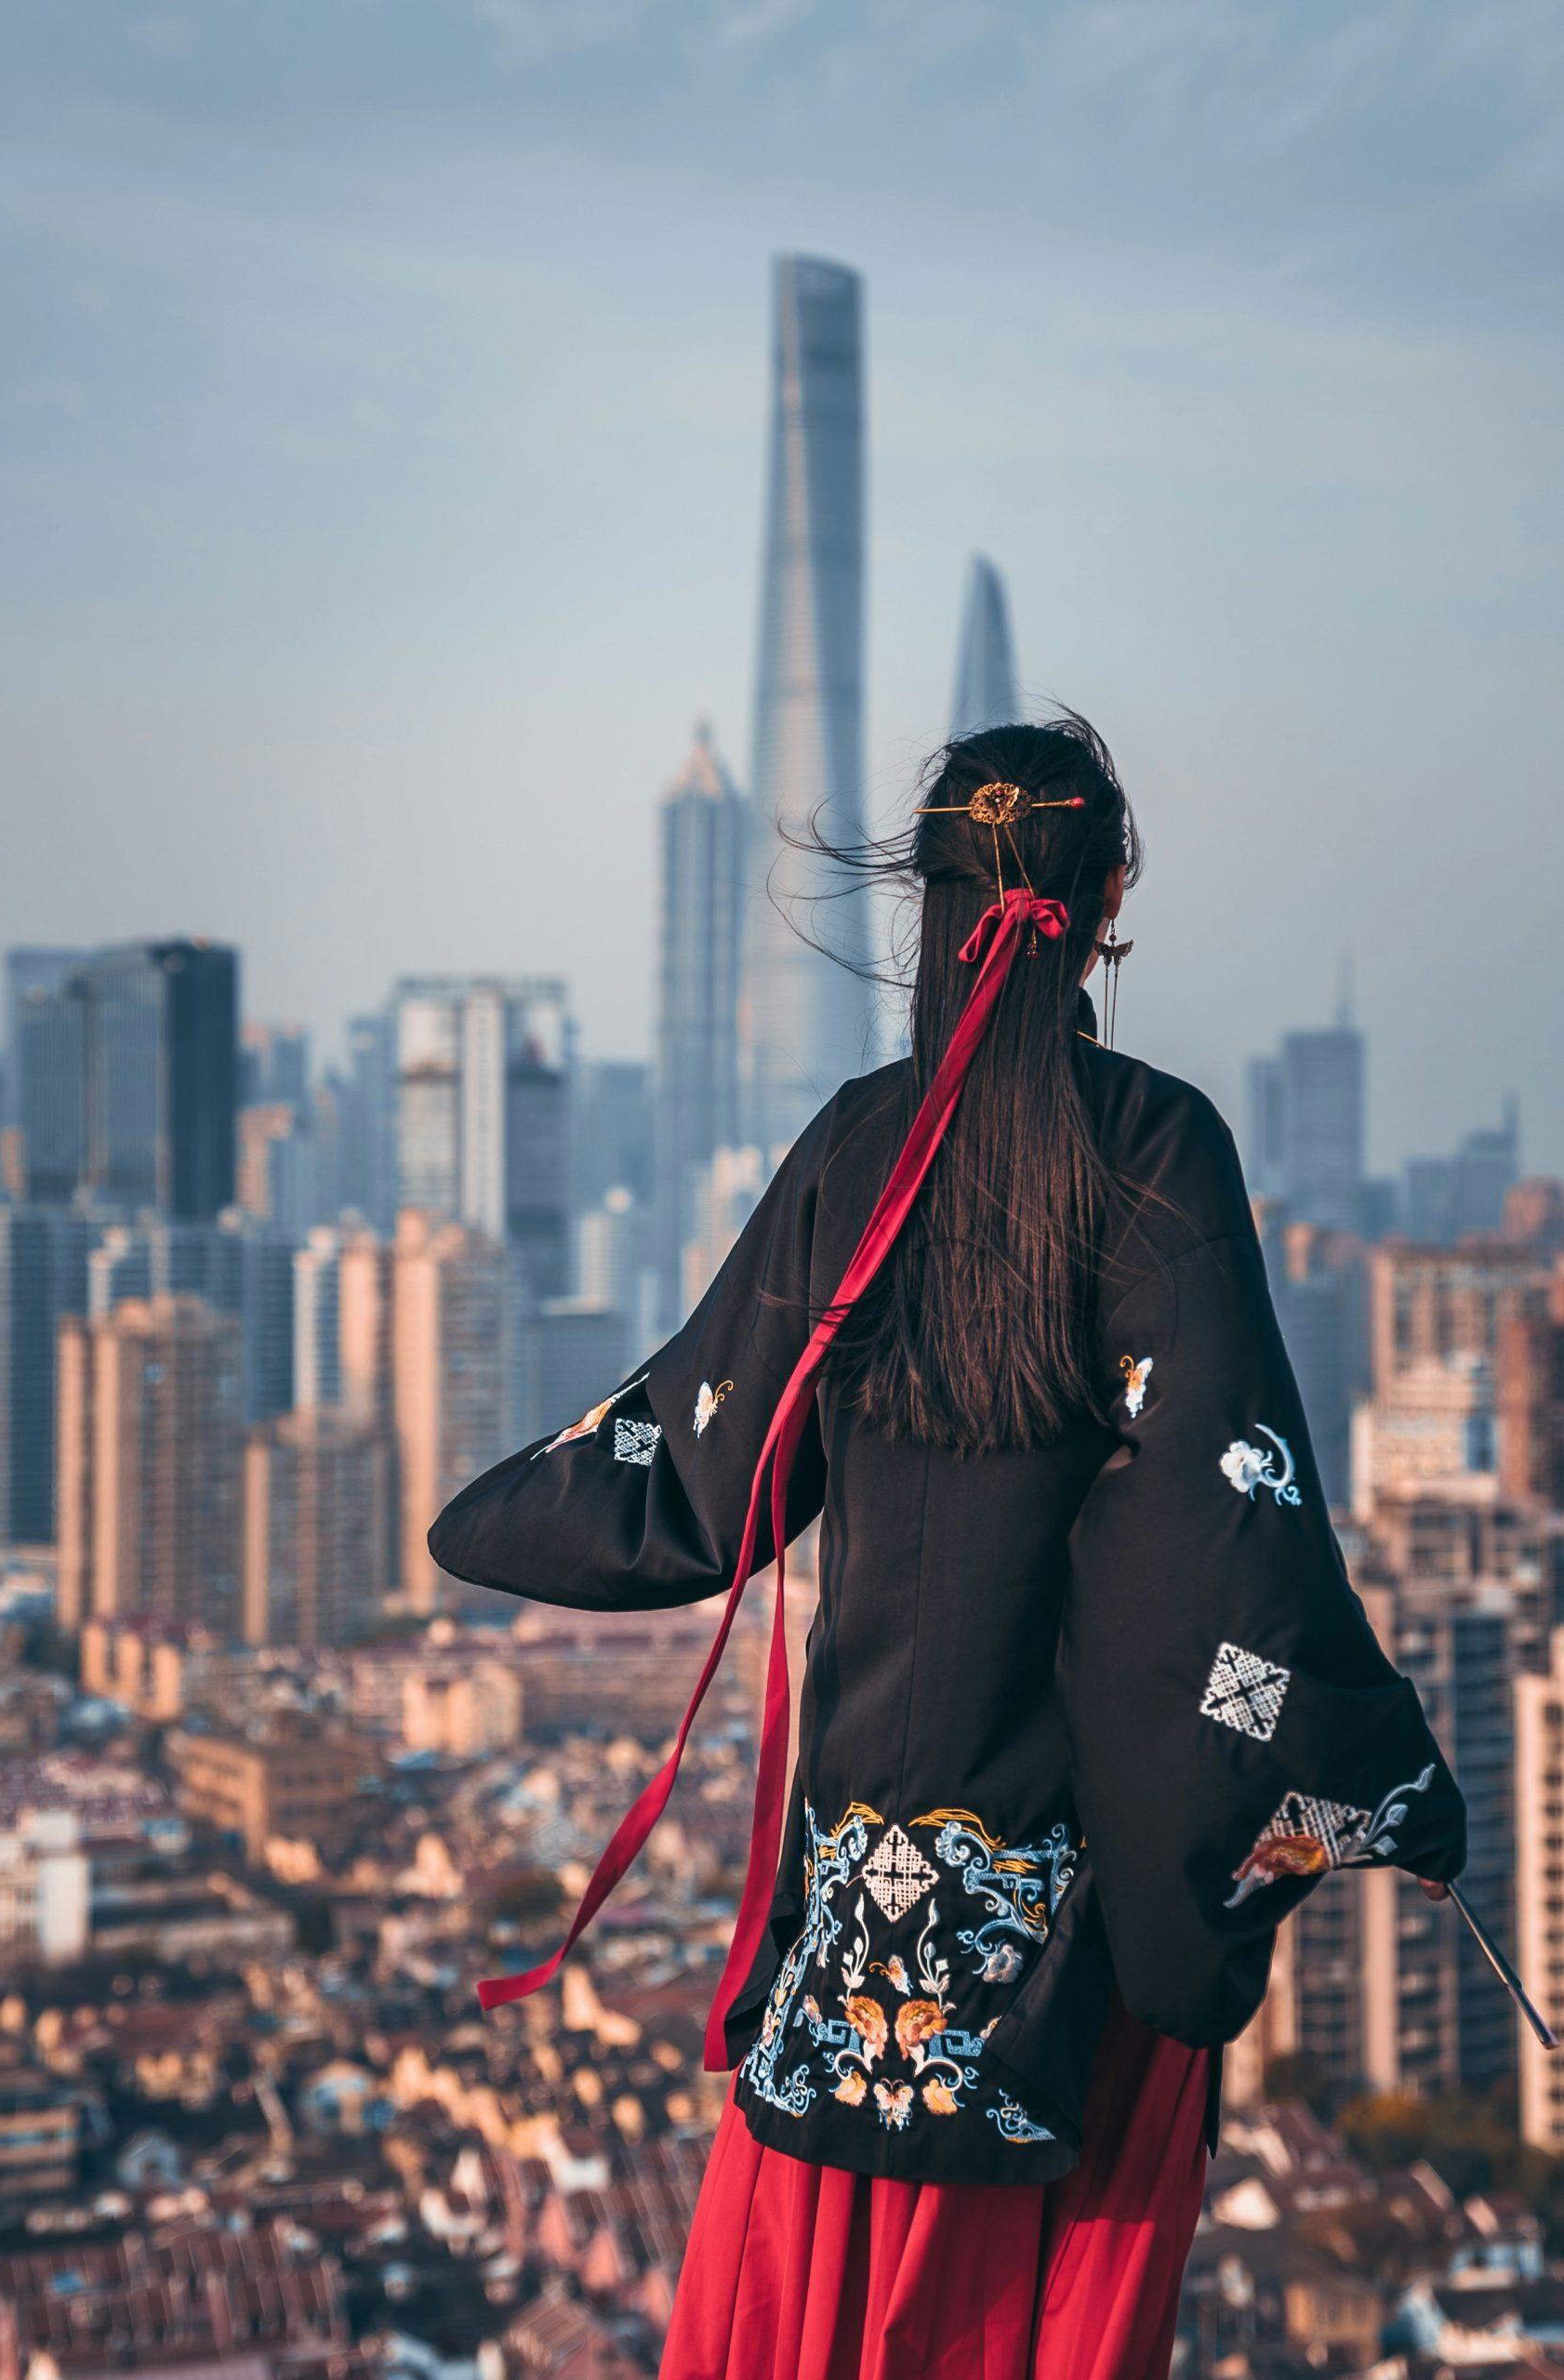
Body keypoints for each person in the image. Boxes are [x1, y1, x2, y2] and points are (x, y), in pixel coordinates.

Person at [429, 718, 1466, 2380]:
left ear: (929, 900)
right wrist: (1390, 1784)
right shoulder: (1153, 1151)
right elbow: (1227, 1524)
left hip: (857, 1908)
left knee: (806, 2325)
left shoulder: (856, 1144)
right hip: (1068, 1915)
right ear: (1108, 895)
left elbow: (700, 1475)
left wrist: (491, 1511)